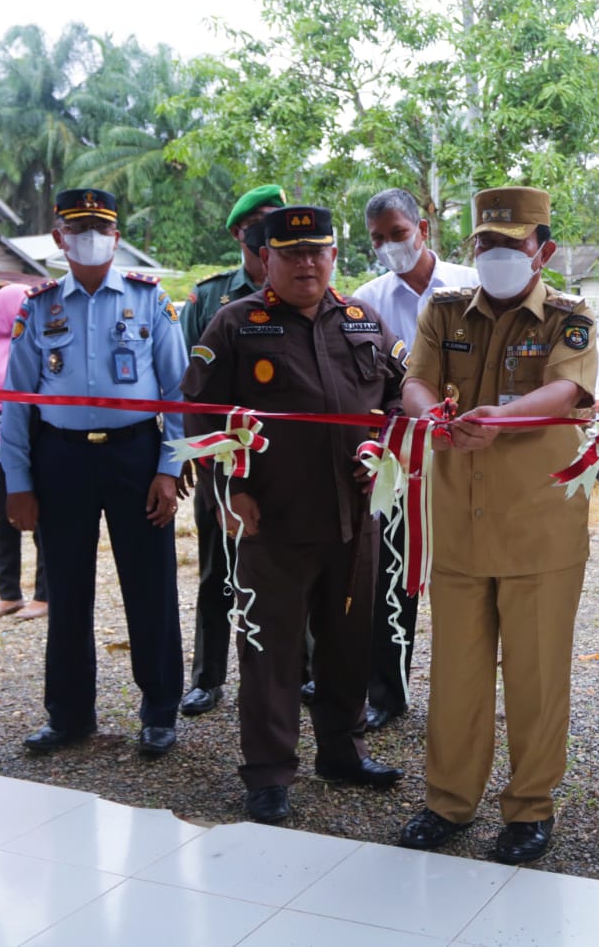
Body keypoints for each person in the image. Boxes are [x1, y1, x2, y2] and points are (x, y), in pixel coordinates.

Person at [183, 204, 407, 825]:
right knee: (270, 653)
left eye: (317, 252)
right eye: (292, 253)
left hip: (354, 519)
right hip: (273, 521)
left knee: (348, 644)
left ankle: (343, 751)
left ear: (333, 256)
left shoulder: (364, 321)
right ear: (267, 258)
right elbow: (200, 412)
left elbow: (398, 395)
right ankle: (268, 772)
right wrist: (230, 490)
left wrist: (386, 450)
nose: (307, 263)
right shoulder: (235, 324)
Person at [396, 185, 598, 865]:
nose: (495, 254)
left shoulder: (571, 317)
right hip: (459, 523)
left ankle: (530, 808)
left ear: (543, 251)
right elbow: (416, 380)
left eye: (511, 244)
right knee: (456, 675)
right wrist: (429, 413)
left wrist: (498, 419)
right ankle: (449, 802)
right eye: (485, 242)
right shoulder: (443, 310)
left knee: (536, 678)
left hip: (538, 527)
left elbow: (566, 390)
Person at [1, 188, 187, 759]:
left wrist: (169, 469)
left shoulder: (150, 300)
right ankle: (69, 715)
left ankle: (159, 712)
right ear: (59, 238)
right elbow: (16, 400)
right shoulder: (37, 306)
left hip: (137, 456)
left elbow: (179, 392)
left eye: (100, 228)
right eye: (78, 228)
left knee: (151, 586)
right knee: (66, 588)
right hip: (61, 458)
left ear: (116, 235)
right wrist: (19, 482)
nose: (90, 237)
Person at [351, 188, 478, 732]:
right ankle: (387, 691)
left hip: (469, 452)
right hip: (398, 459)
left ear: (422, 229)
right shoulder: (365, 301)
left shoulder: (473, 286)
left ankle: (466, 692)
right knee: (392, 573)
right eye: (378, 239)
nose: (389, 247)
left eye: (398, 234)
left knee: (467, 575)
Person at [178, 183, 287, 717]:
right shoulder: (208, 298)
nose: (267, 233)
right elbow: (186, 383)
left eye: (276, 222)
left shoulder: (305, 288)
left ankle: (299, 671)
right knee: (218, 568)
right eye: (258, 224)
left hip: (288, 458)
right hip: (222, 458)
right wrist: (190, 455)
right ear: (238, 234)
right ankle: (208, 676)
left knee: (292, 563)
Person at [0, 284, 48, 621]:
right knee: (2, 521)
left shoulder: (39, 344)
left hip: (36, 445)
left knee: (43, 520)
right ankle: (9, 593)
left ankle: (44, 594)